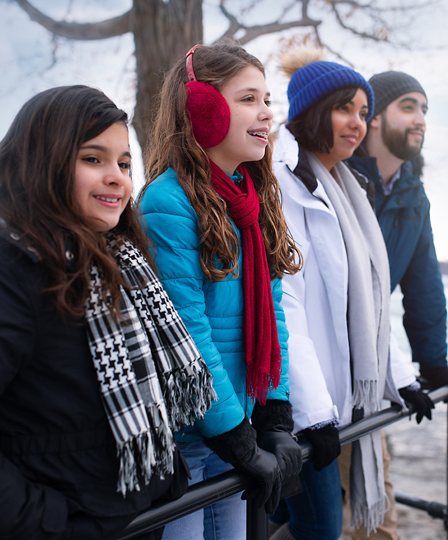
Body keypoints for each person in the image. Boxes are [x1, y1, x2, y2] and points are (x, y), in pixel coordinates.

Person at [0, 85, 217, 539]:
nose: (118, 177)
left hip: (129, 518)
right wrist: (49, 524)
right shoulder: (5, 267)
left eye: (123, 163)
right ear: (44, 162)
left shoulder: (117, 259)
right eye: (93, 159)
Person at [137, 40, 303, 540]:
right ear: (202, 108)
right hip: (191, 436)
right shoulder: (167, 202)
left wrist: (275, 412)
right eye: (248, 98)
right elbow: (188, 329)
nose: (266, 114)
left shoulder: (253, 197)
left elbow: (272, 311)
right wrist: (234, 435)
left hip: (241, 424)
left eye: (268, 100)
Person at [269, 47, 436, 540]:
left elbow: (365, 308)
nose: (357, 123)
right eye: (345, 109)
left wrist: (402, 379)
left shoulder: (347, 189)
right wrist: (313, 412)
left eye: (363, 112)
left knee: (292, 520)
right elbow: (288, 306)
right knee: (316, 527)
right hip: (307, 406)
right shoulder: (282, 186)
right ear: (310, 113)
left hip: (344, 400)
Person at [343, 71, 448, 539]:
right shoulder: (340, 178)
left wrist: (433, 364)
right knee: (312, 514)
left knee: (375, 513)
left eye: (425, 111)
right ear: (373, 119)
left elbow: (424, 286)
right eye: (409, 107)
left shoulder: (413, 194)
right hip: (324, 375)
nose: (420, 120)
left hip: (369, 374)